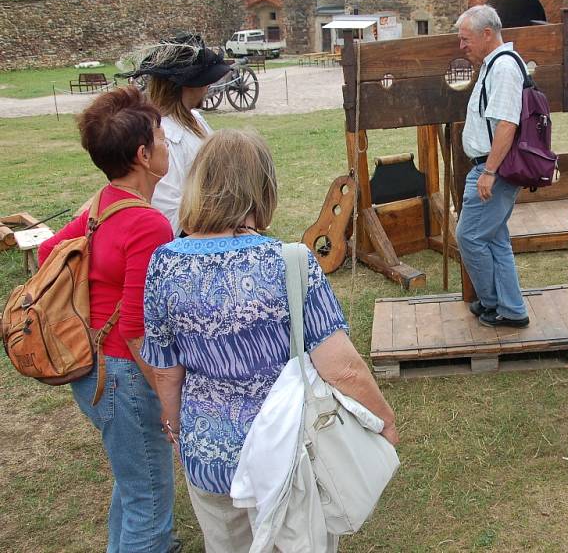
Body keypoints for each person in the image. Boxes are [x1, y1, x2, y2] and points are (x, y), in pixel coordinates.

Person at [140, 130, 398, 553]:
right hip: (286, 456)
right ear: (263, 188)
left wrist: (175, 423)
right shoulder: (290, 263)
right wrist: (383, 420)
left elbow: (166, 369)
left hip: (208, 451)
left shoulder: (163, 264)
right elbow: (343, 368)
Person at [38, 86, 178, 551]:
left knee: (135, 481)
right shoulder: (148, 224)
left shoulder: (103, 203)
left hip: (91, 371)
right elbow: (137, 330)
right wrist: (168, 400)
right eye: (161, 137)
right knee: (150, 499)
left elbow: (45, 253)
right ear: (142, 154)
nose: (166, 146)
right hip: (122, 378)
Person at [455, 4, 529, 328]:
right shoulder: (493, 65)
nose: (462, 46)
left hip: (491, 170)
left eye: (465, 38)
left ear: (487, 34)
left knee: (469, 237)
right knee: (495, 239)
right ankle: (511, 308)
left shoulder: (502, 68)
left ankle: (493, 303)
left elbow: (507, 124)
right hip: (488, 167)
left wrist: (489, 172)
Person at [119, 32, 230, 235]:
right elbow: (168, 210)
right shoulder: (164, 136)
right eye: (205, 81)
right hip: (192, 235)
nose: (208, 87)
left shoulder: (195, 118)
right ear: (188, 85)